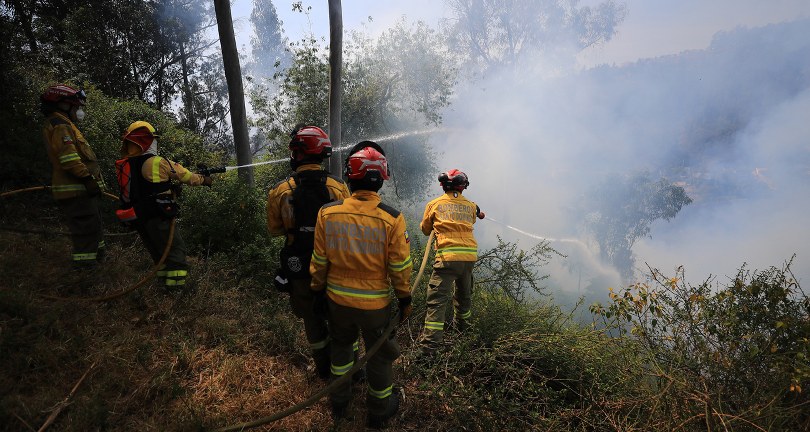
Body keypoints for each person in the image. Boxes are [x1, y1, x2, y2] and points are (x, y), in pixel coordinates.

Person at [309, 141, 413, 428]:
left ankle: (339, 401)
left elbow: (319, 260)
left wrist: (317, 291)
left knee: (342, 349)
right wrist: (405, 298)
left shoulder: (327, 213)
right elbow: (399, 267)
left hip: (337, 301)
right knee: (378, 356)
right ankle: (379, 410)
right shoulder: (392, 218)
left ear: (349, 177)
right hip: (375, 305)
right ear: (381, 180)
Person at [266, 125, 351, 380]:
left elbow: (275, 230)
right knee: (339, 317)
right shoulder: (339, 187)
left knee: (311, 319)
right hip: (335, 264)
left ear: (300, 153)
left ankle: (323, 368)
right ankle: (349, 368)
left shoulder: (280, 191)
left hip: (299, 266)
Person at [115, 121, 212, 290]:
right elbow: (186, 176)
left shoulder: (126, 165)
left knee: (159, 254)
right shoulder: (157, 162)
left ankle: (162, 288)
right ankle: (175, 291)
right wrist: (205, 180)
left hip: (139, 218)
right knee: (175, 251)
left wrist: (167, 189)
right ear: (147, 141)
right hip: (158, 216)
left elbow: (146, 188)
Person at [416, 169, 485, 357]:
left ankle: (429, 350)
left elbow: (425, 230)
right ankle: (463, 337)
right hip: (468, 260)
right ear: (463, 186)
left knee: (437, 302)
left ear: (443, 185)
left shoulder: (434, 204)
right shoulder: (471, 206)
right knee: (464, 299)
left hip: (447, 259)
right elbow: (473, 218)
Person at [40, 84, 106, 268]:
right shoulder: (60, 126)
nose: (79, 111)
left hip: (82, 192)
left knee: (93, 227)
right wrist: (87, 179)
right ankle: (86, 271)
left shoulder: (65, 124)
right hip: (77, 190)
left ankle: (98, 263)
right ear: (63, 104)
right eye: (76, 107)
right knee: (86, 231)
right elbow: (69, 159)